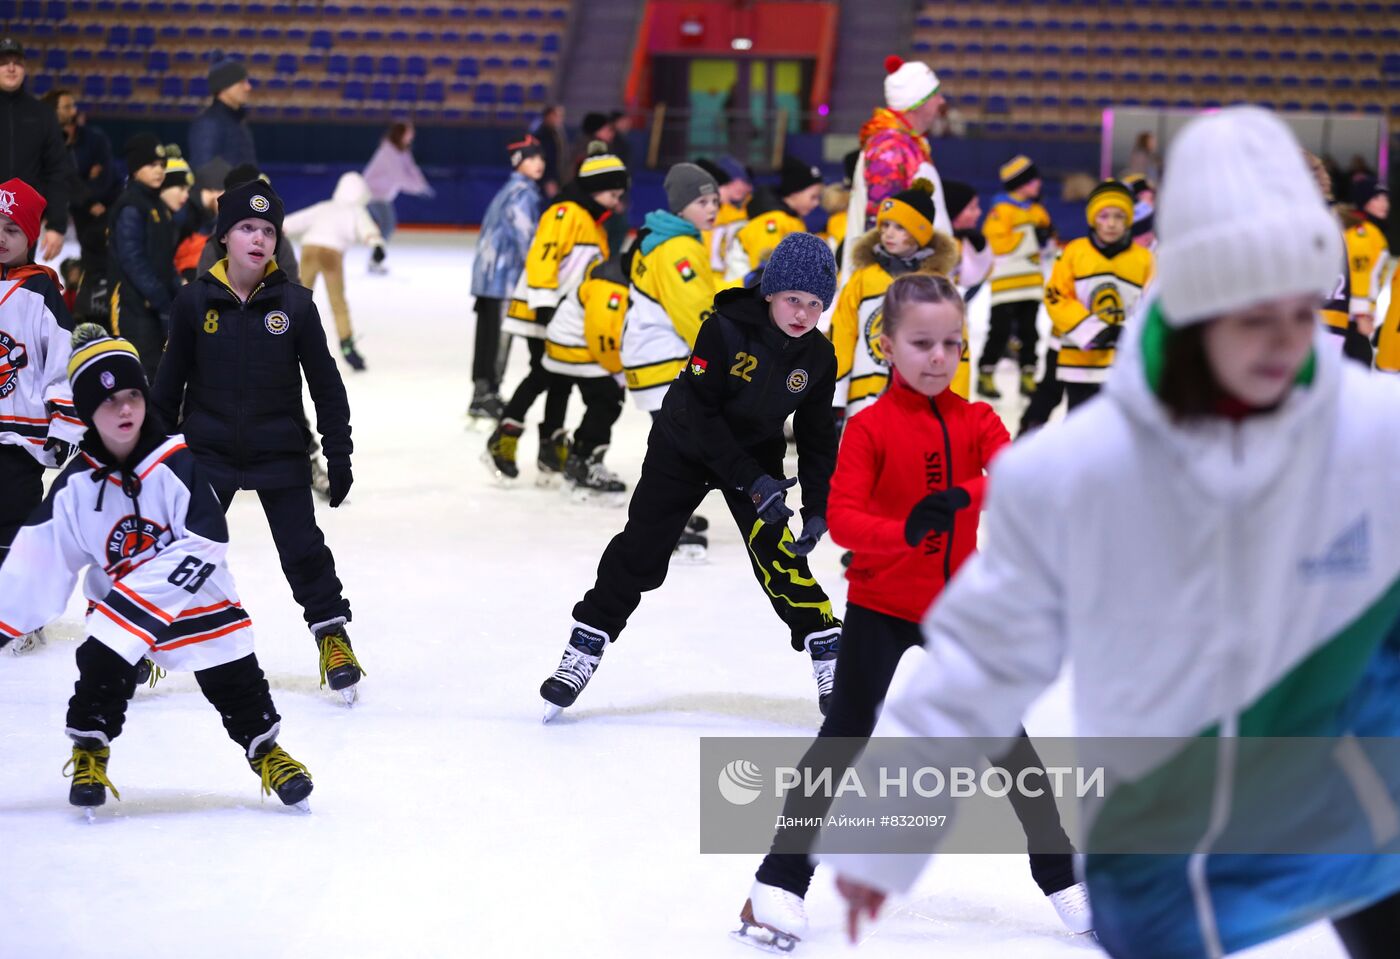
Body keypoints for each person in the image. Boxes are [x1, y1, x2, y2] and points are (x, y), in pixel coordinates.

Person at [821, 106, 1400, 959]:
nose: (1284, 339)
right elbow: (987, 653)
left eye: (1299, 308)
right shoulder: (1083, 470)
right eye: (1251, 312)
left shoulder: (1375, 432)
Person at [735, 274, 1087, 951]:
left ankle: (1064, 875)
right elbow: (842, 520)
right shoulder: (867, 427)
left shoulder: (978, 420)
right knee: (843, 740)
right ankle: (776, 884)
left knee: (1010, 744)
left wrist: (965, 494)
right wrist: (907, 529)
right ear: (887, 344)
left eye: (951, 343)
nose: (937, 356)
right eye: (921, 342)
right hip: (881, 604)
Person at [0, 325, 314, 813]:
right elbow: (38, 561)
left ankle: (267, 750)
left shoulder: (176, 460)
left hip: (197, 600)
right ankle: (90, 752)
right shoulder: (78, 486)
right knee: (101, 673)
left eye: (132, 395)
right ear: (86, 412)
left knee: (236, 678)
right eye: (108, 402)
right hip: (123, 613)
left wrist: (141, 599)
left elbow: (208, 536)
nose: (125, 409)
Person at [539, 233, 845, 721]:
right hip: (683, 445)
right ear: (770, 293)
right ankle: (585, 645)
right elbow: (702, 416)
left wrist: (819, 506)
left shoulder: (818, 357)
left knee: (777, 553)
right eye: (793, 299)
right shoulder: (723, 330)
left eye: (815, 304)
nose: (803, 315)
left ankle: (827, 649)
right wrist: (753, 479)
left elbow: (816, 436)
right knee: (642, 549)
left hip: (755, 453)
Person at [152, 180, 364, 704]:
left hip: (279, 451)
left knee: (303, 550)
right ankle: (146, 638)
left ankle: (332, 637)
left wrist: (338, 453)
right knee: (184, 548)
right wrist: (151, 461)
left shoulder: (295, 305)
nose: (258, 238)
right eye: (247, 227)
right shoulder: (193, 301)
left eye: (268, 230)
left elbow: (327, 386)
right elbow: (165, 390)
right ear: (225, 236)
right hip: (208, 450)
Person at [485, 147, 627, 485]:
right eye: (611, 194)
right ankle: (505, 437)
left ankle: (550, 448)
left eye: (619, 195)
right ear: (593, 188)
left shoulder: (594, 225)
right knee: (544, 375)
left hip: (562, 316)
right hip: (540, 311)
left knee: (559, 380)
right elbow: (542, 259)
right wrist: (546, 306)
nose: (615, 203)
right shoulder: (566, 213)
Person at [0, 178, 84, 655]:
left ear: (31, 235)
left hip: (23, 439)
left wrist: (64, 424)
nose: (1, 236)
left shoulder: (41, 292)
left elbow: (62, 364)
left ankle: (24, 614)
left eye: (12, 228)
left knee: (17, 525)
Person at [1020, 180, 1155, 431]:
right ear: (1093, 219)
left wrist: (1126, 329)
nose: (1112, 223)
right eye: (1104, 216)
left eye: (1119, 216)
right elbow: (1056, 295)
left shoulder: (1144, 260)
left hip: (1119, 359)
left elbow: (1152, 304)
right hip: (1076, 356)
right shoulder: (1074, 252)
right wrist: (1091, 330)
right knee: (1077, 423)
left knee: (1114, 427)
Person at [828, 180, 959, 425]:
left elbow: (956, 347)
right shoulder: (863, 278)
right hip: (864, 397)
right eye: (885, 225)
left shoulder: (937, 285)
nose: (888, 233)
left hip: (921, 400)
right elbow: (842, 335)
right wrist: (835, 396)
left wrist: (955, 405)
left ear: (920, 232)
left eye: (900, 227)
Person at [843, 55, 950, 278]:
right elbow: (884, 231)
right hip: (895, 290)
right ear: (918, 102)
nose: (941, 101)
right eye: (935, 95)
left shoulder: (906, 145)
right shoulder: (890, 150)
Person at [468, 134, 544, 421]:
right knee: (498, 338)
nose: (540, 163)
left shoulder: (510, 190)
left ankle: (481, 394)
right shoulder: (522, 194)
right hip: (505, 278)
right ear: (518, 162)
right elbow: (526, 238)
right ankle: (488, 394)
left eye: (541, 158)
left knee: (487, 336)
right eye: (532, 158)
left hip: (489, 277)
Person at [281, 171, 385, 372]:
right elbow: (367, 228)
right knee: (338, 302)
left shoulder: (324, 207)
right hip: (332, 255)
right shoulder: (356, 210)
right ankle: (347, 347)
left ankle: (284, 339)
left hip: (309, 250)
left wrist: (275, 226)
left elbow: (297, 220)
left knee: (299, 298)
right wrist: (377, 244)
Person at [978, 154, 1054, 399]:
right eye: (1033, 180)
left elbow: (1048, 243)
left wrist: (1045, 239)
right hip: (1006, 284)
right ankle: (986, 374)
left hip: (1031, 283)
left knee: (1030, 332)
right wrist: (1031, 235)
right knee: (999, 330)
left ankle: (1028, 376)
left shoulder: (1038, 210)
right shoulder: (1001, 210)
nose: (1039, 184)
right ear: (1021, 184)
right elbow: (997, 243)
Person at [107, 134, 180, 379]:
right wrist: (160, 296)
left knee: (159, 374)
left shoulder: (156, 205)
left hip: (156, 306)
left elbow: (164, 258)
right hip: (133, 306)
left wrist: (175, 293)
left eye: (161, 165)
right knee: (137, 375)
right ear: (136, 168)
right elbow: (132, 259)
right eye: (151, 165)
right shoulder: (131, 205)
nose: (159, 170)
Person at [44, 87, 119, 320]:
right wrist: (86, 196)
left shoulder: (94, 138)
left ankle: (98, 310)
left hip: (102, 209)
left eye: (73, 105)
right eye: (67, 107)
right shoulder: (48, 142)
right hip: (69, 211)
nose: (73, 111)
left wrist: (89, 196)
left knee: (100, 259)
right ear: (52, 112)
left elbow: (106, 174)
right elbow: (63, 179)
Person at [0, 37, 74, 262]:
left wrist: (57, 225)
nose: (11, 68)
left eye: (17, 62)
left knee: (17, 292)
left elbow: (57, 172)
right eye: (4, 61)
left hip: (23, 224)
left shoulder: (42, 114)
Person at [724, 155, 823, 283]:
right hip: (741, 294)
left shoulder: (791, 219)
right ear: (794, 192)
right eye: (813, 197)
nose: (816, 203)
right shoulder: (770, 221)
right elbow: (763, 271)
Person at [362, 120, 434, 274]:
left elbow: (412, 170)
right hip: (370, 194)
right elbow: (399, 177)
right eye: (409, 132)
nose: (412, 136)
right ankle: (375, 260)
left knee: (387, 225)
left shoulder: (402, 151)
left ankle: (375, 259)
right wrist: (417, 189)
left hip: (381, 195)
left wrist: (422, 185)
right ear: (400, 134)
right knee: (387, 224)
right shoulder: (388, 152)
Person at [1343, 180, 1390, 344]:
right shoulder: (1361, 233)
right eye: (1377, 198)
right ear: (1364, 203)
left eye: (1385, 198)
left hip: (1352, 315)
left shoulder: (1372, 231)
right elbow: (1358, 275)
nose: (1384, 203)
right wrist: (1361, 314)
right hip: (1350, 318)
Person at [188, 59, 256, 169]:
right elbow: (204, 171)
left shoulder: (238, 121)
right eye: (241, 82)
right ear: (224, 87)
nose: (248, 87)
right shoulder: (209, 123)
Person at [695, 156, 752, 272]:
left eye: (744, 181)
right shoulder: (700, 217)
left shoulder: (746, 215)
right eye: (732, 182)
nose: (738, 186)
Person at [530, 104, 568, 199]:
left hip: (556, 178)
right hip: (545, 181)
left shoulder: (556, 133)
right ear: (549, 116)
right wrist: (548, 180)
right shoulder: (542, 135)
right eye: (557, 116)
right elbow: (544, 158)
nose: (560, 119)